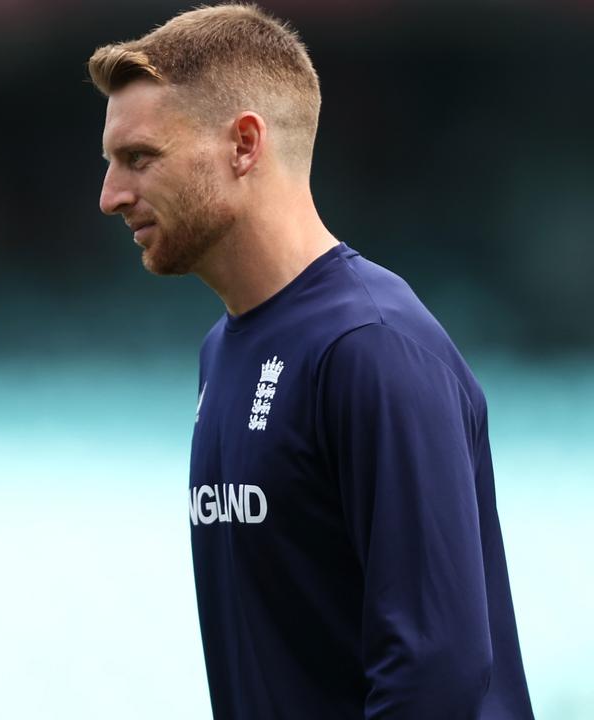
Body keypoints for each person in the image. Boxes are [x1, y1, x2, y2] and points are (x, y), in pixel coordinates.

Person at [90, 5, 532, 718]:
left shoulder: (371, 347)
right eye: (110, 163)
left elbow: (437, 676)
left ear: (244, 145)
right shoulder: (223, 351)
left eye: (140, 158)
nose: (110, 196)